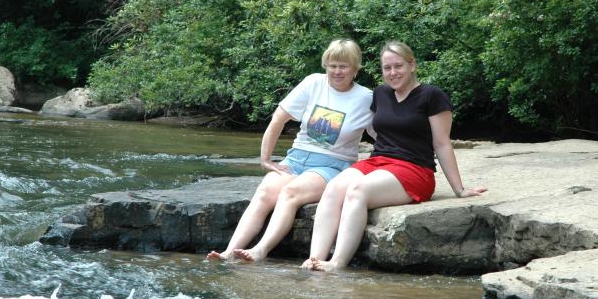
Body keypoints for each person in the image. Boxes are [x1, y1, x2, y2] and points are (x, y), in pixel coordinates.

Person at [301, 41, 487, 272]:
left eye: (398, 66)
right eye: (387, 68)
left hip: (414, 169)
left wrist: (459, 189)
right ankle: (315, 258)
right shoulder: (381, 94)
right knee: (334, 187)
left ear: (412, 65)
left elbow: (442, 144)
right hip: (378, 161)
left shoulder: (431, 96)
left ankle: (337, 263)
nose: (392, 73)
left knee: (357, 190)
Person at [207, 39, 373, 262]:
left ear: (355, 68)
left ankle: (260, 250)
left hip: (331, 165)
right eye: (332, 65)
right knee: (265, 190)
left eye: (343, 66)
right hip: (297, 158)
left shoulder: (366, 98)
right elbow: (278, 119)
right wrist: (265, 159)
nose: (336, 71)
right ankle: (229, 251)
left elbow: (383, 136)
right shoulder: (313, 83)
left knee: (290, 193)